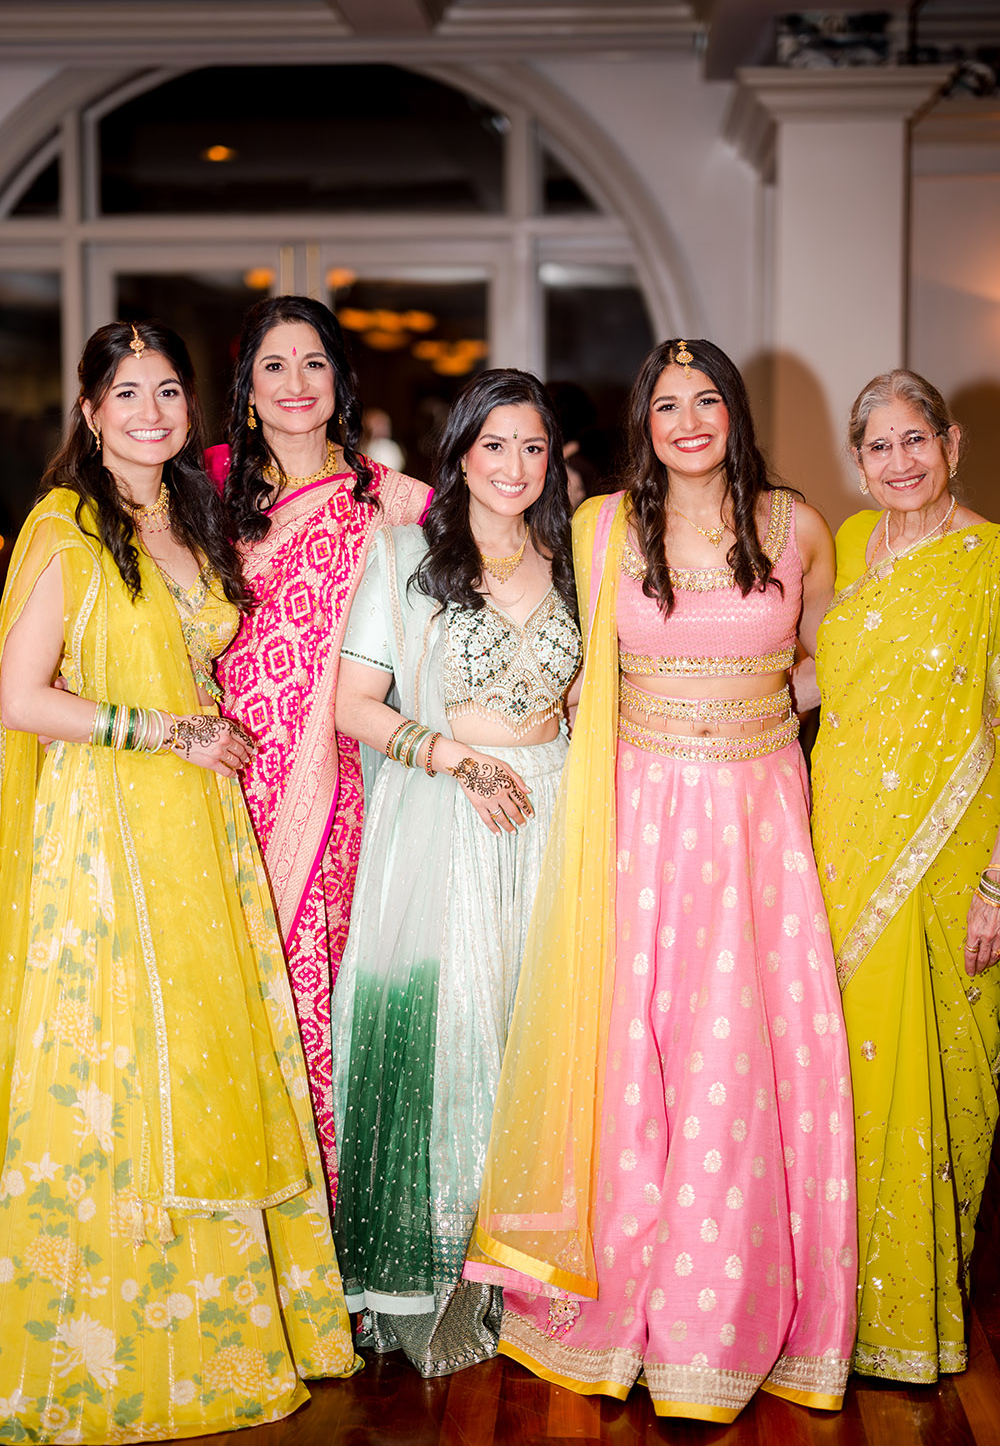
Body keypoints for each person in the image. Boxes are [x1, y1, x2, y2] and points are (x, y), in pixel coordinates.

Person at [467, 339, 858, 1422]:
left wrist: (761, 700)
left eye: (707, 402)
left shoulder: (795, 525)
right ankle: (618, 1303)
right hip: (636, 819)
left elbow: (838, 659)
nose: (688, 421)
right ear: (642, 421)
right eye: (667, 405)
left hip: (756, 823)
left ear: (734, 412)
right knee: (631, 1055)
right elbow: (515, 591)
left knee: (737, 1057)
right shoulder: (599, 529)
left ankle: (720, 1318)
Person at [0, 320, 357, 1443]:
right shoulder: (67, 529)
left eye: (167, 392)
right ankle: (108, 1333)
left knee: (202, 1061)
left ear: (191, 413)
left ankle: (214, 1327)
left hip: (200, 832)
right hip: (107, 830)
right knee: (123, 1061)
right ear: (90, 411)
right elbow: (17, 696)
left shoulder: (187, 518)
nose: (150, 411)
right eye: (126, 393)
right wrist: (157, 726)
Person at [330, 368, 581, 1376]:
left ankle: (529, 1277)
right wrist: (456, 759)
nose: (513, 467)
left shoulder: (578, 564)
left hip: (556, 815)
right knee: (449, 1035)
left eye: (531, 447)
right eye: (493, 446)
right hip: (442, 818)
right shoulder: (403, 558)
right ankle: (433, 1278)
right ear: (460, 454)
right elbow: (355, 705)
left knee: (543, 1039)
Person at [212, 296, 430, 1198]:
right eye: (274, 365)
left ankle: (326, 1217)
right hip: (221, 775)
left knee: (320, 987)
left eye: (313, 363)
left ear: (340, 379)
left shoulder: (396, 503)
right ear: (249, 388)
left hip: (340, 784)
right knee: (226, 988)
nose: (295, 384)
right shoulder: (208, 497)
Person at [810, 369, 1000, 1383]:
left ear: (951, 443)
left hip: (951, 864)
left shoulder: (992, 562)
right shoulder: (847, 545)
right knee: (840, 1075)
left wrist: (997, 887)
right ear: (858, 460)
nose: (898, 462)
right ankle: (838, 1304)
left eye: (914, 440)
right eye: (877, 446)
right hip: (838, 845)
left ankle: (915, 1312)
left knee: (944, 1076)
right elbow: (819, 680)